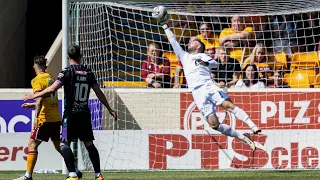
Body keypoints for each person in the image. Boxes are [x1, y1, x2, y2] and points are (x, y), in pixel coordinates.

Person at [153, 7, 261, 151]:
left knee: (229, 106)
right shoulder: (184, 57)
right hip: (197, 94)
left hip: (209, 86)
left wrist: (206, 63)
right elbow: (173, 41)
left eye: (193, 42)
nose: (190, 43)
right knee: (214, 124)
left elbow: (216, 64)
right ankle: (242, 137)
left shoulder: (203, 56)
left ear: (198, 46)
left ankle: (253, 125)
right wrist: (165, 25)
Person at [23, 45, 117, 180]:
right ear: (81, 56)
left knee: (64, 144)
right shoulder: (88, 72)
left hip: (71, 114)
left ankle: (73, 174)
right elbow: (99, 92)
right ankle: (98, 175)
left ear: (68, 57)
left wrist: (33, 96)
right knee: (89, 143)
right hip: (84, 113)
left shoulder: (66, 72)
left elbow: (52, 90)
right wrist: (109, 108)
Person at [15, 56, 82, 180]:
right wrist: (32, 104)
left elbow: (40, 98)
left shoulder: (36, 80)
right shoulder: (51, 77)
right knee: (59, 146)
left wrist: (36, 118)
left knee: (32, 145)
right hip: (55, 118)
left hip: (44, 119)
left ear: (34, 67)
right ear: (45, 66)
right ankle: (75, 170)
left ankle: (27, 175)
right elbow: (48, 97)